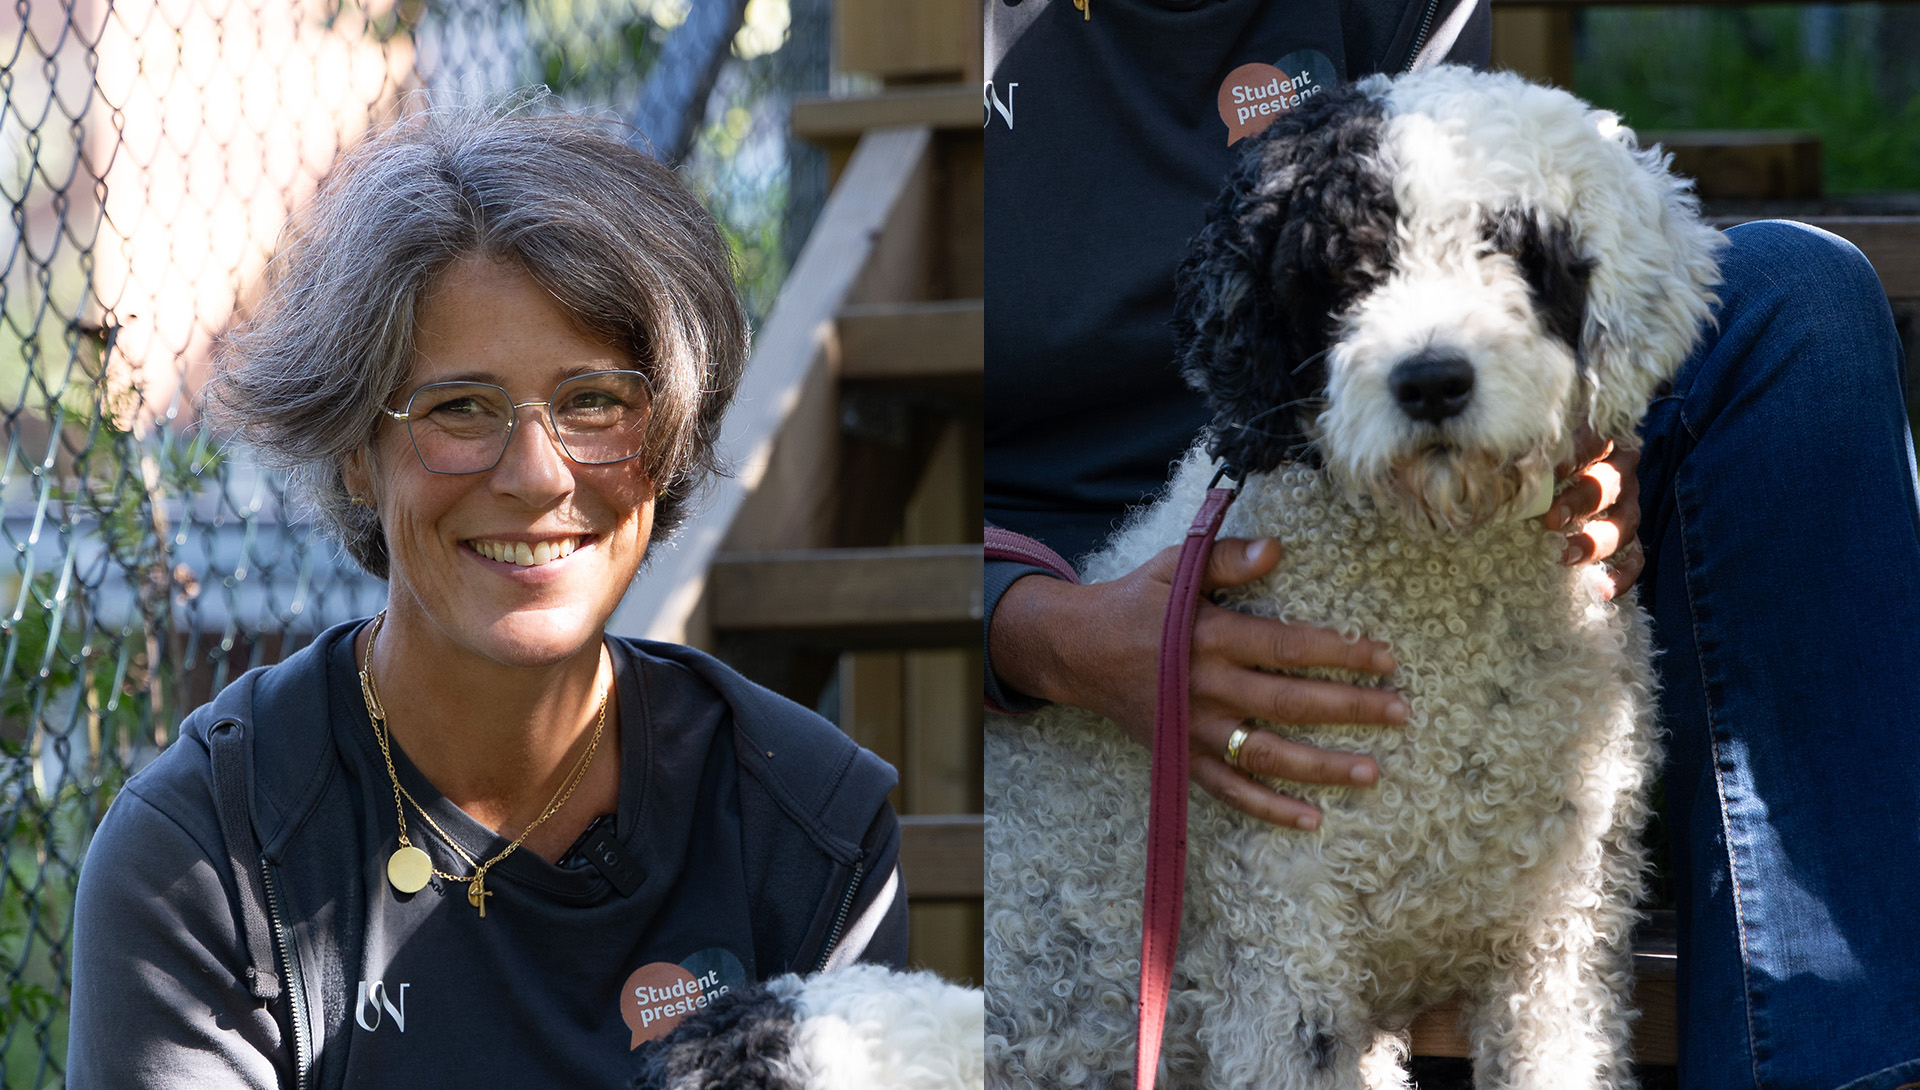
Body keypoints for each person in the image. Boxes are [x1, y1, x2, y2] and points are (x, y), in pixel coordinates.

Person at [984, 1, 1920, 1086]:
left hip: (1410, 467)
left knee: (1801, 297)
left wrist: (1593, 435)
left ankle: (1841, 1059)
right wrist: (1034, 629)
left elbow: (1506, 222)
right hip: (1080, 564)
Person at [66, 105, 906, 1088]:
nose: (539, 474)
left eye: (596, 400)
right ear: (354, 454)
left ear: (667, 441)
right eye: (461, 409)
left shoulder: (808, 826)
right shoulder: (206, 858)